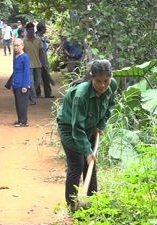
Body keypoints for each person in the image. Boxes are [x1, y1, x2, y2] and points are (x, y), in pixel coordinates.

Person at [57, 60, 116, 212]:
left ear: (110, 78)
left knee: (91, 164)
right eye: (98, 81)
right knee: (78, 164)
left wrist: (100, 125)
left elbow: (110, 105)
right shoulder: (81, 95)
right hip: (70, 129)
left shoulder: (112, 85)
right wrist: (87, 152)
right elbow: (77, 128)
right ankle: (72, 205)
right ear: (91, 78)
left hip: (90, 128)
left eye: (106, 81)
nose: (102, 85)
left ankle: (93, 202)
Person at [23, 22, 45, 105]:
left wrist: (44, 63)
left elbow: (41, 51)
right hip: (28, 65)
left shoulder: (38, 40)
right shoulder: (24, 41)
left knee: (38, 82)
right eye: (30, 30)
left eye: (33, 29)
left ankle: (30, 95)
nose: (32, 31)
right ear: (27, 30)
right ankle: (33, 99)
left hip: (38, 64)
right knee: (31, 83)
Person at [11, 38, 31, 127]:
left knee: (22, 103)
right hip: (16, 82)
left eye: (17, 45)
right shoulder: (16, 57)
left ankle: (23, 121)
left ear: (22, 46)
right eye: (14, 45)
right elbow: (15, 71)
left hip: (22, 83)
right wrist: (13, 83)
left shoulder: (25, 57)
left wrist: (25, 85)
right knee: (18, 103)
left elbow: (27, 71)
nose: (15, 47)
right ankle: (20, 119)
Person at [35, 22, 54, 98]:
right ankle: (37, 93)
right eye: (45, 28)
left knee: (46, 78)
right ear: (42, 29)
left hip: (44, 61)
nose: (46, 29)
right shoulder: (37, 39)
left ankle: (48, 93)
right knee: (38, 79)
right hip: (39, 62)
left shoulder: (43, 38)